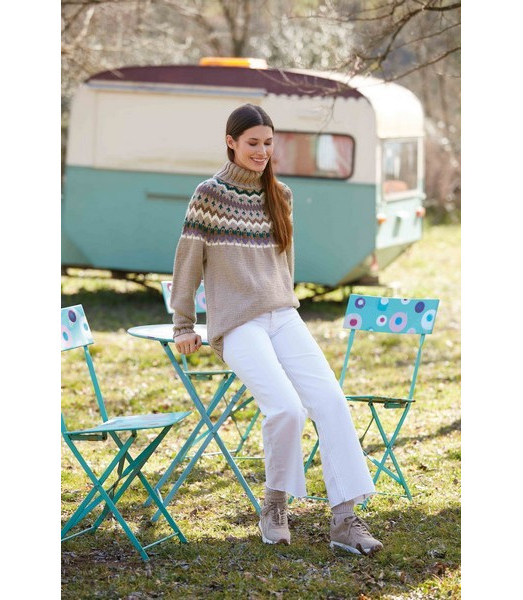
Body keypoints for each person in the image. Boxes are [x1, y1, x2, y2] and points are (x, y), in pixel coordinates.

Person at [170, 103, 383, 556]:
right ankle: (274, 505)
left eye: (268, 143)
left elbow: (285, 264)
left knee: (331, 402)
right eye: (253, 143)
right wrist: (184, 324)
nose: (262, 151)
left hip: (283, 315)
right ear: (230, 142)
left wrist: (284, 302)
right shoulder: (208, 195)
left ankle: (344, 519)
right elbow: (187, 263)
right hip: (237, 322)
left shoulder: (280, 195)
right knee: (286, 409)